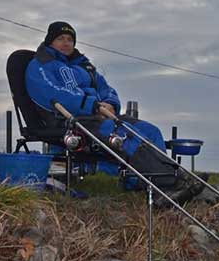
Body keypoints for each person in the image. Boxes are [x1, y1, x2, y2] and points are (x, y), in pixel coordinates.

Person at [25, 21, 202, 205]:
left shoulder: (85, 67)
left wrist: (109, 104)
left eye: (70, 39)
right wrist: (92, 105)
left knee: (150, 131)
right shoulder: (41, 64)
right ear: (50, 41)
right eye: (60, 38)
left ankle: (140, 183)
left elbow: (107, 90)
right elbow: (52, 94)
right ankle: (166, 185)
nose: (66, 43)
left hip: (100, 114)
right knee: (124, 136)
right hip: (71, 120)